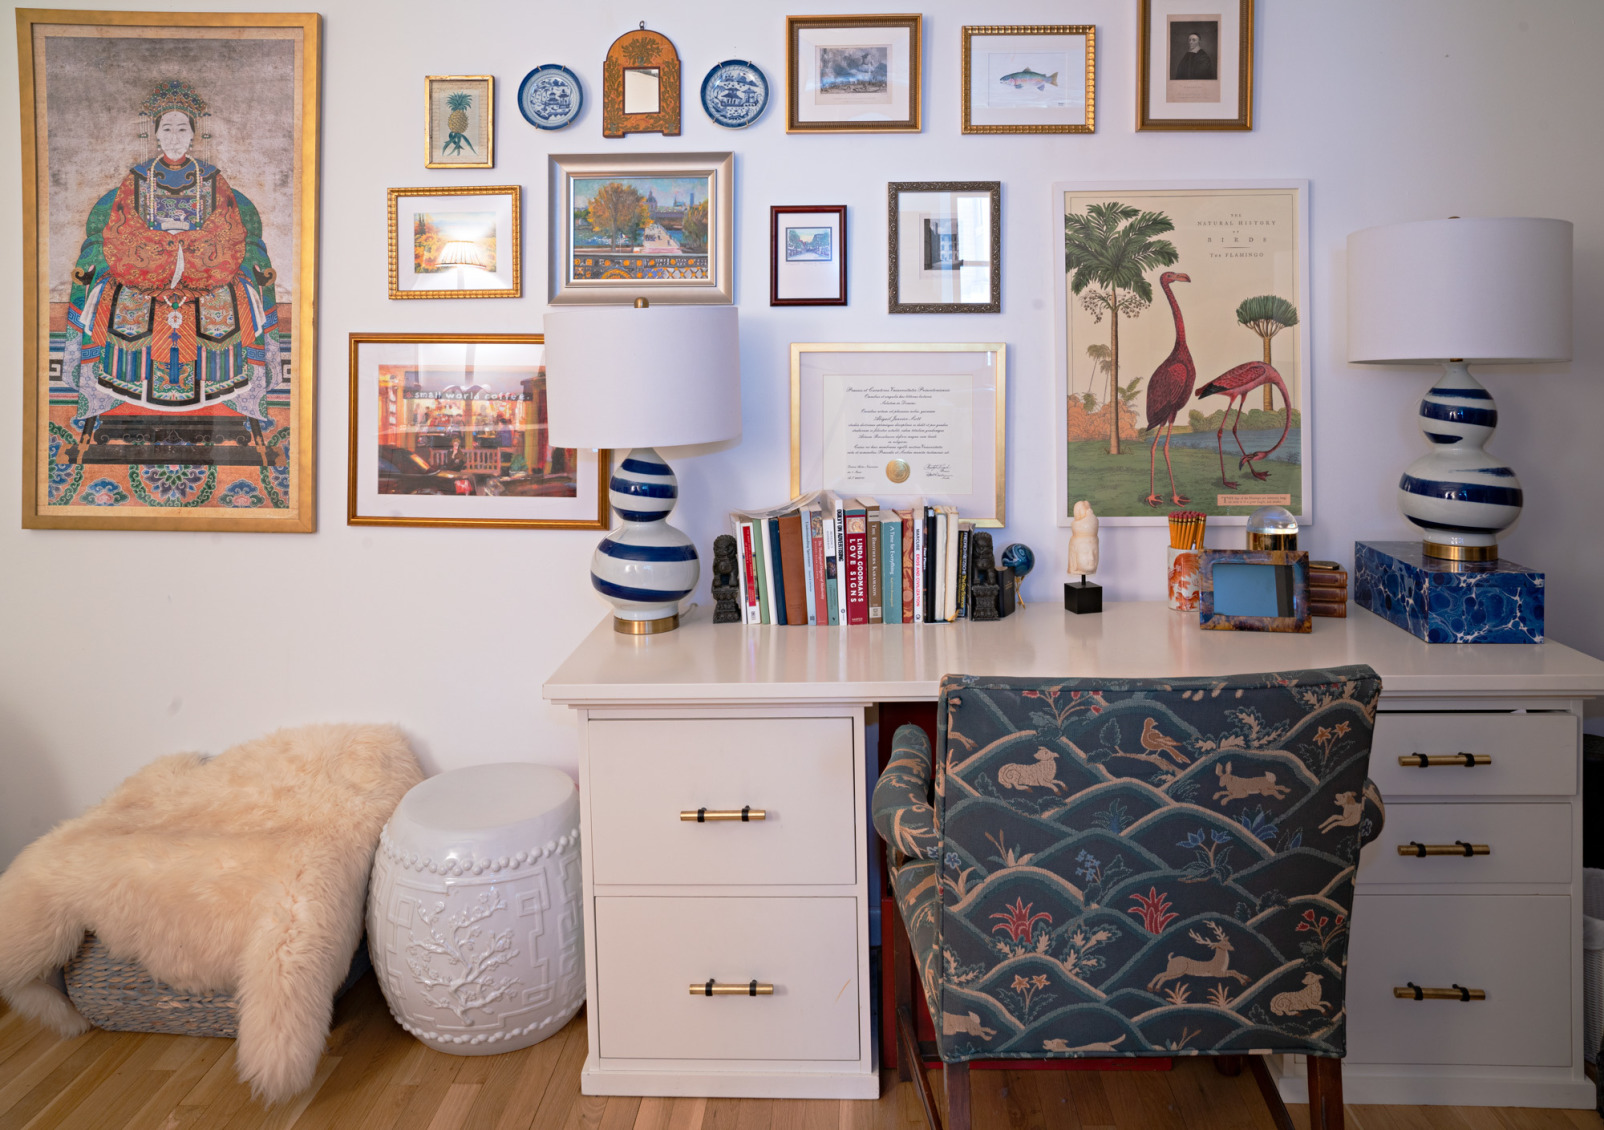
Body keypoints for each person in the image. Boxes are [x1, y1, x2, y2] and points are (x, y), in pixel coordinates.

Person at [61, 79, 281, 446]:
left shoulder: (212, 179)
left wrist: (186, 244)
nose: (175, 136)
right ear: (157, 135)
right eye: (167, 129)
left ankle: (241, 404)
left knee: (240, 298)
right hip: (145, 263)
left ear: (193, 135)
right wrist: (163, 244)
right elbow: (120, 228)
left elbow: (229, 229)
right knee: (106, 299)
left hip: (204, 266)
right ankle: (103, 400)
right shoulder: (137, 179)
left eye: (182, 129)